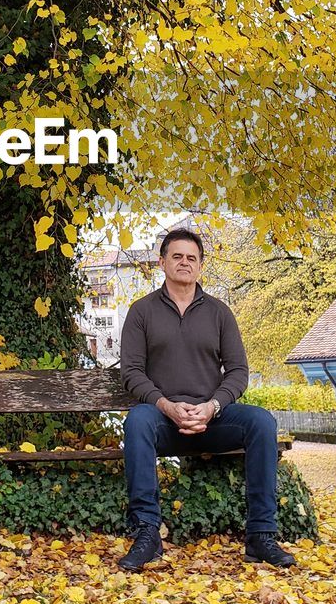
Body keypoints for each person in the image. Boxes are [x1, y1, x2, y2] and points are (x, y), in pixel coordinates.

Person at [117, 228, 296, 571]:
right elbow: (132, 373)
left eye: (191, 258)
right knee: (137, 420)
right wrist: (166, 405)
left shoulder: (218, 312)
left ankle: (261, 535)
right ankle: (146, 534)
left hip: (212, 418)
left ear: (200, 266)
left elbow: (238, 371)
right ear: (162, 262)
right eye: (177, 256)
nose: (184, 263)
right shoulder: (142, 312)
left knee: (261, 421)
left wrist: (213, 406)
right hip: (162, 420)